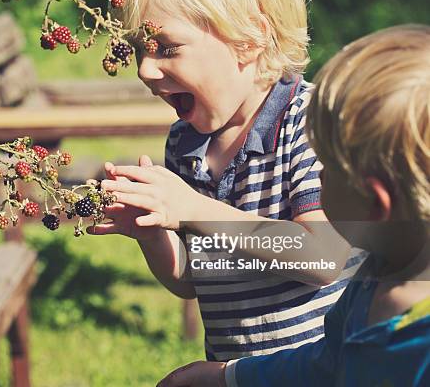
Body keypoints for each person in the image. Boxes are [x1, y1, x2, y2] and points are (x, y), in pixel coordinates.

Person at [91, 0, 363, 364]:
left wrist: (194, 210)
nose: (145, 69)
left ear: (248, 41)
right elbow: (192, 279)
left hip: (318, 369)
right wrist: (151, 233)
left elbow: (323, 256)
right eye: (139, 49)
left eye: (166, 47)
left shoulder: (308, 121)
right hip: (231, 371)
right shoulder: (185, 142)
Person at [157, 24, 430, 386]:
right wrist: (229, 376)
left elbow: (321, 256)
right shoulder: (369, 284)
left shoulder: (418, 341)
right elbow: (323, 363)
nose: (319, 177)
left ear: (375, 203)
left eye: (328, 169)